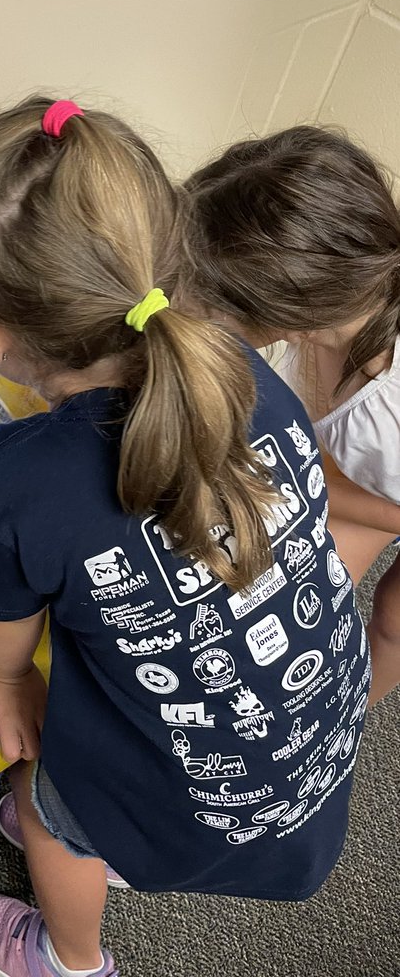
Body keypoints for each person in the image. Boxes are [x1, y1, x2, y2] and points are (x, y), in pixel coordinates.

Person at [0, 99, 370, 977]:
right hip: (315, 759)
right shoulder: (244, 375)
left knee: (47, 810)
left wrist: (11, 682)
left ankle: (70, 959)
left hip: (196, 808)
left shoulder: (19, 481)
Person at [184, 126, 400, 701]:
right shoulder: (346, 296)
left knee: (394, 622)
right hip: (369, 470)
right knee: (303, 579)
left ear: (294, 319)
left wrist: (306, 487)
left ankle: (345, 723)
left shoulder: (384, 413)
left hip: (387, 483)